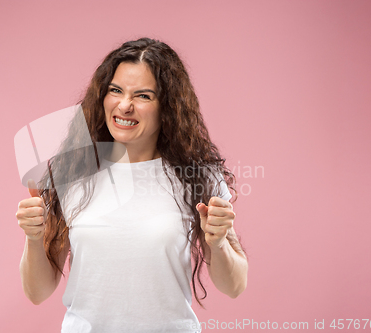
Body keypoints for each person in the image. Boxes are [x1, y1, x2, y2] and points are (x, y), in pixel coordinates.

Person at [15, 37, 248, 333]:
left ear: (168, 107)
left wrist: (218, 244)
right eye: (115, 91)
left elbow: (235, 286)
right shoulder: (71, 172)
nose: (124, 106)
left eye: (143, 96)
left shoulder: (199, 176)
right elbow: (37, 292)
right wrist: (34, 238)